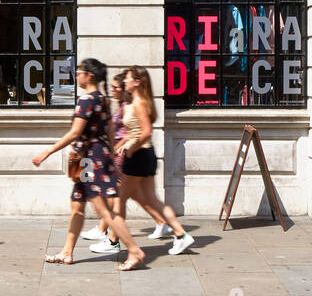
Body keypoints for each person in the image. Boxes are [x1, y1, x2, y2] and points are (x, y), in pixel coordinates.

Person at [33, 58, 146, 271]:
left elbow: (76, 132)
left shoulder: (86, 100)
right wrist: (111, 157)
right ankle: (67, 252)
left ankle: (134, 249)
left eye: (80, 71)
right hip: (87, 160)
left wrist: (46, 152)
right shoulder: (103, 99)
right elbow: (110, 131)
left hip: (91, 160)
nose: (77, 75)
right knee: (77, 206)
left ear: (90, 75)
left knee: (104, 210)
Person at [117, 65, 194, 256]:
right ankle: (181, 234)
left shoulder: (140, 103)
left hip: (138, 156)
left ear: (137, 82)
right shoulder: (137, 101)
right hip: (143, 155)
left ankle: (115, 241)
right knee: (152, 200)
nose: (124, 81)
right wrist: (123, 144)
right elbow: (135, 131)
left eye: (127, 78)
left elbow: (146, 132)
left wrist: (130, 150)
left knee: (118, 200)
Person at [86, 69, 128, 253]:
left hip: (120, 155)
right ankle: (105, 231)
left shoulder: (128, 107)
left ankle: (113, 240)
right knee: (115, 196)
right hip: (115, 153)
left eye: (116, 87)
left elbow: (135, 130)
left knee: (114, 197)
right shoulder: (120, 105)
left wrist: (121, 146)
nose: (112, 89)